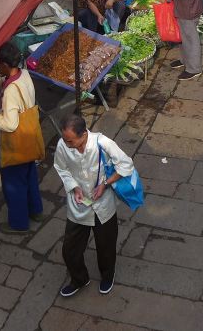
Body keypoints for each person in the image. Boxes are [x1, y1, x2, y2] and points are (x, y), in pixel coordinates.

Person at [54, 114, 135, 297]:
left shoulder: (102, 143)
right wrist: (74, 188)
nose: (66, 143)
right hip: (79, 206)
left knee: (106, 246)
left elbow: (126, 165)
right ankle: (79, 279)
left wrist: (105, 184)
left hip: (103, 205)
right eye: (65, 140)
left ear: (83, 135)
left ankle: (107, 276)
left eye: (70, 140)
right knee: (70, 250)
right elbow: (61, 168)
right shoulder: (62, 145)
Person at [0, 42, 44, 232]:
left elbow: (10, 124)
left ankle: (19, 224)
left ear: (4, 64)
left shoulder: (11, 92)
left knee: (14, 184)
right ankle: (36, 210)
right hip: (31, 136)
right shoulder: (24, 73)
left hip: (17, 143)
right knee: (29, 175)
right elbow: (12, 84)